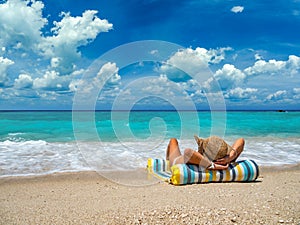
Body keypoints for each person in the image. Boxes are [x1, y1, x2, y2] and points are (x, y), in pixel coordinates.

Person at [165, 137, 244, 170]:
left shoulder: (200, 160)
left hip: (175, 161)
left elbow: (188, 152)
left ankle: (166, 162)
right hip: (226, 159)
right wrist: (230, 156)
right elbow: (241, 140)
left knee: (173, 140)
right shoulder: (226, 160)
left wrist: (213, 166)